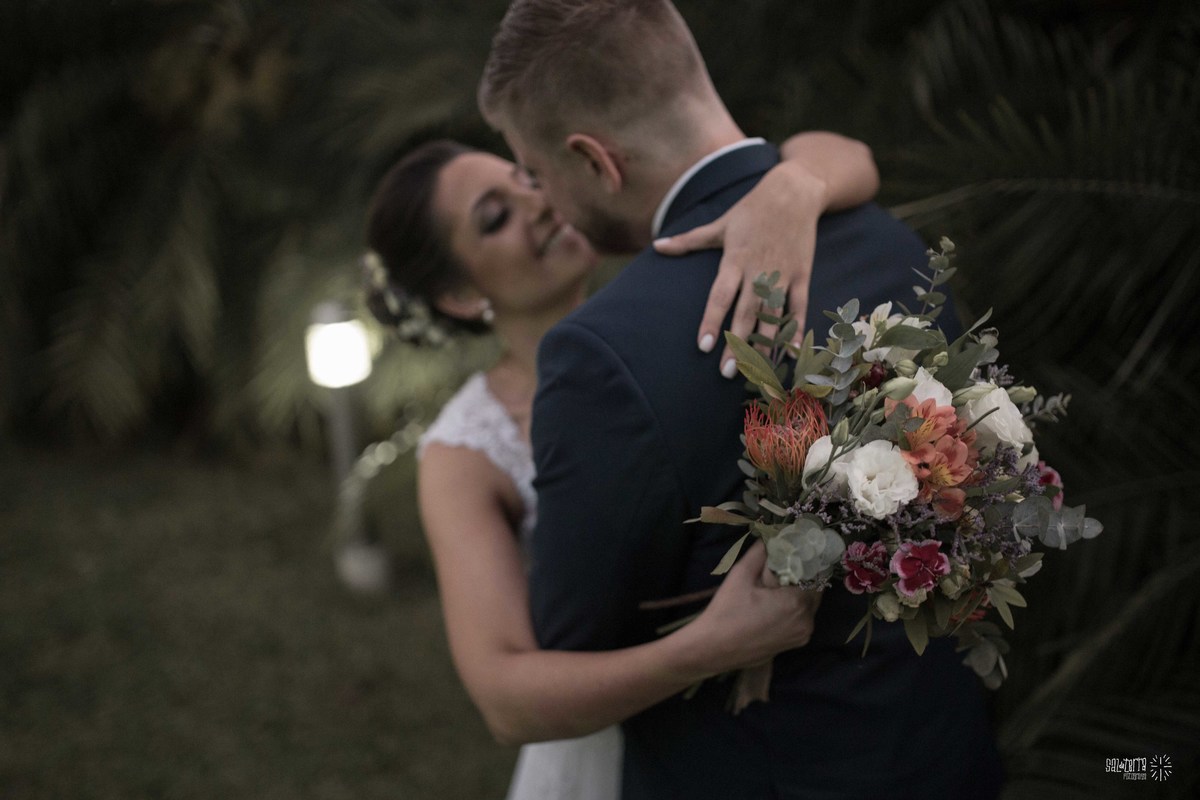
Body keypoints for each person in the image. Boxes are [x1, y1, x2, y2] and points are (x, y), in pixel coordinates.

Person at [477, 1, 1006, 798]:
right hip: (942, 750)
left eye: (536, 170)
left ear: (595, 160)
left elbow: (572, 639)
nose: (544, 197)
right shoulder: (889, 239)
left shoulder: (603, 355)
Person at [365, 131, 881, 800]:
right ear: (461, 295)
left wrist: (792, 188)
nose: (538, 203)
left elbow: (849, 155)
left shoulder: (674, 288)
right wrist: (710, 648)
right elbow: (503, 698)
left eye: (525, 178)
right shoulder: (464, 452)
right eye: (495, 216)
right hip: (609, 759)